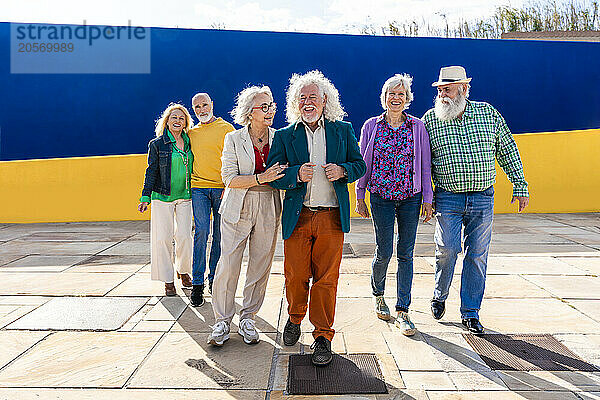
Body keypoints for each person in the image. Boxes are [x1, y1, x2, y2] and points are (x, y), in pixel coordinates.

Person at [267, 70, 366, 366]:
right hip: (298, 217)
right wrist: (295, 174)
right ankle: (295, 317)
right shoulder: (286, 135)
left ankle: (322, 336)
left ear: (325, 100)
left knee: (326, 279)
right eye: (303, 97)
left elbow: (360, 164)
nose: (308, 102)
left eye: (313, 97)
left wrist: (344, 170)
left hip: (331, 217)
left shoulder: (342, 129)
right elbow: (274, 174)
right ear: (296, 103)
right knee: (296, 275)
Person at [422, 66, 529, 334]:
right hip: (447, 197)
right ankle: (440, 293)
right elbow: (421, 163)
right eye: (440, 90)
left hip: (483, 197)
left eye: (447, 89)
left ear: (464, 89)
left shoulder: (488, 114)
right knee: (447, 249)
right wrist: (424, 197)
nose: (442, 94)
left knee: (477, 255)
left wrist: (520, 184)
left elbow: (507, 149)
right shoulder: (430, 120)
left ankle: (470, 312)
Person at [355, 74, 433, 336]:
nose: (396, 98)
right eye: (392, 93)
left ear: (407, 98)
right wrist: (360, 195)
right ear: (384, 97)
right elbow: (363, 162)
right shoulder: (371, 126)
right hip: (380, 197)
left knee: (406, 253)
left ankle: (403, 310)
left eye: (401, 94)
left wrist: (428, 198)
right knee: (384, 250)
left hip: (411, 197)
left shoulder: (417, 127)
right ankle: (378, 294)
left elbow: (424, 164)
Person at [207, 85, 285, 346]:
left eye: (271, 105)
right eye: (264, 106)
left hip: (269, 204)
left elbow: (284, 173)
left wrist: (271, 181)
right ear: (249, 112)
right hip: (238, 205)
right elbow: (229, 178)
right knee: (228, 262)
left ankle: (248, 317)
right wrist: (261, 178)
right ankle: (222, 320)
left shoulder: (280, 137)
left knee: (260, 264)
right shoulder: (233, 138)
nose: (270, 110)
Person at [138, 103, 195, 296]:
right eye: (174, 118)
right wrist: (145, 196)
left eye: (181, 118)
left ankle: (184, 270)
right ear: (167, 121)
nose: (178, 121)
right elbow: (151, 171)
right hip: (162, 196)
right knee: (163, 238)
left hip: (186, 196)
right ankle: (168, 280)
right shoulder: (157, 144)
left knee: (185, 237)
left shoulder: (190, 142)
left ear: (186, 121)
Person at [188, 93, 235, 307]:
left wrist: (230, 186)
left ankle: (213, 279)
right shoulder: (192, 133)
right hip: (198, 189)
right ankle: (197, 284)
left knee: (219, 236)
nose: (201, 109)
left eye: (204, 104)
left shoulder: (227, 129)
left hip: (221, 189)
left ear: (212, 104)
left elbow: (236, 158)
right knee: (201, 233)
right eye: (197, 107)